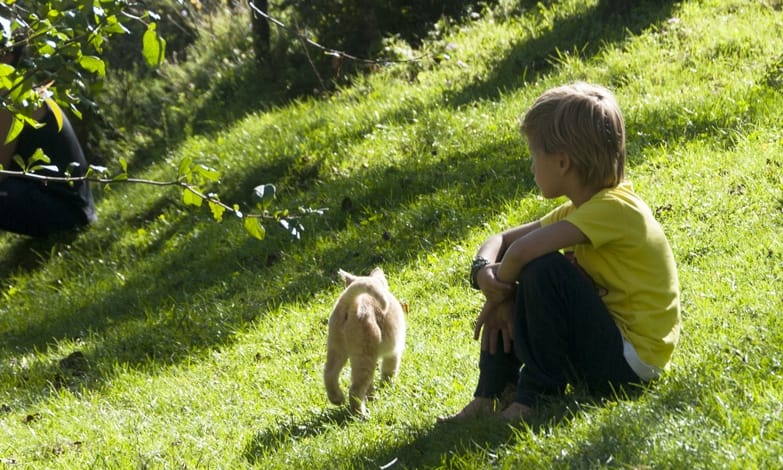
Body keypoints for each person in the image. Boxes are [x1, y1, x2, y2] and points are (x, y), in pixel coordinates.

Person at [441, 82, 681, 421]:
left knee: (542, 270)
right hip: (605, 350)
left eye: (534, 155)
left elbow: (522, 252)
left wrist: (498, 296)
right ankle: (490, 394)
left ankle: (534, 398)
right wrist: (483, 271)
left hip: (631, 366)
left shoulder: (616, 208)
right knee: (528, 272)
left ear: (563, 162)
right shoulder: (581, 209)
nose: (531, 167)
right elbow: (503, 241)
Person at [0, 39, 97, 237]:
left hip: (66, 212)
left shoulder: (10, 97)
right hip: (72, 209)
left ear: (7, 56)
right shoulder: (24, 88)